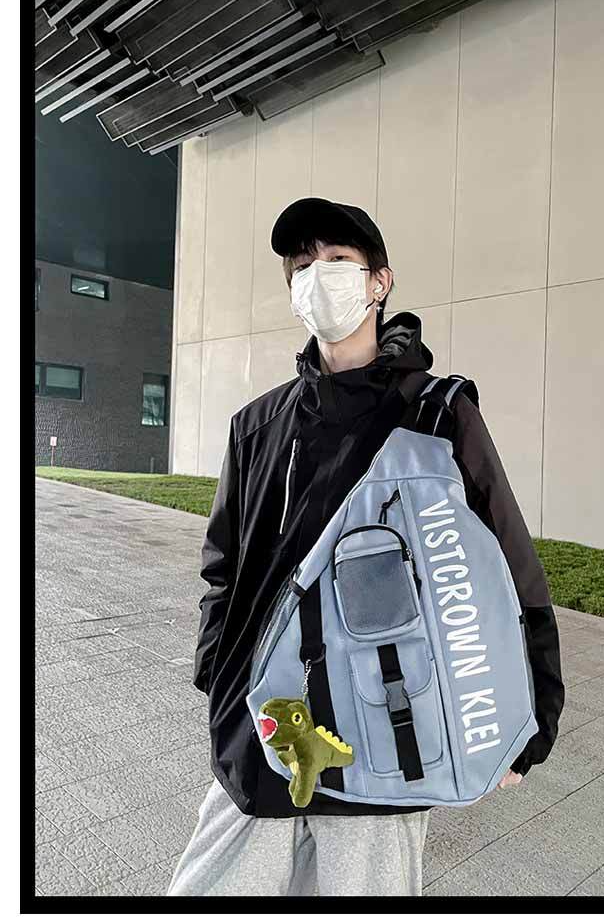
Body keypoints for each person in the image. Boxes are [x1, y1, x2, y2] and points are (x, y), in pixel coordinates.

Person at [166, 198, 565, 897]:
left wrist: (534, 710)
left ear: (379, 281)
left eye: (337, 259)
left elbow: (507, 564)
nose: (317, 276)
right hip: (263, 729)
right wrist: (216, 673)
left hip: (386, 731)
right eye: (302, 265)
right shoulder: (257, 426)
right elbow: (222, 568)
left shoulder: (436, 413)